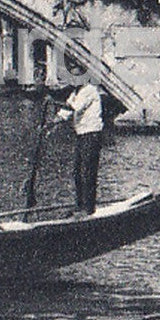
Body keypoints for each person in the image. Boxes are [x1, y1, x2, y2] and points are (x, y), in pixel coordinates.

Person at [55, 77, 105, 216]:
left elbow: (75, 107)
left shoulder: (89, 90)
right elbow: (66, 111)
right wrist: (52, 123)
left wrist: (53, 101)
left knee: (87, 171)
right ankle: (79, 204)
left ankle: (88, 208)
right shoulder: (75, 93)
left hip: (92, 133)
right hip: (81, 133)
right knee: (77, 171)